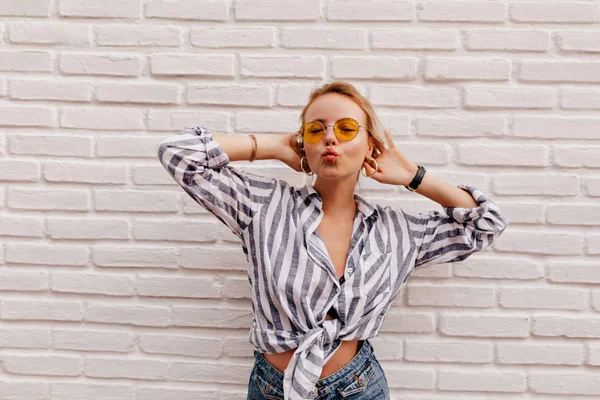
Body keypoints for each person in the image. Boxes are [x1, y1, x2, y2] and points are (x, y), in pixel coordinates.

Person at [156, 81, 509, 400]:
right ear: (303, 142)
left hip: (358, 388)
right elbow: (178, 153)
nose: (330, 137)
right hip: (272, 389)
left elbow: (486, 223)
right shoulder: (264, 205)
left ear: (370, 144)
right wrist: (275, 147)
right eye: (315, 129)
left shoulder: (399, 230)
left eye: (346, 128)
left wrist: (413, 177)